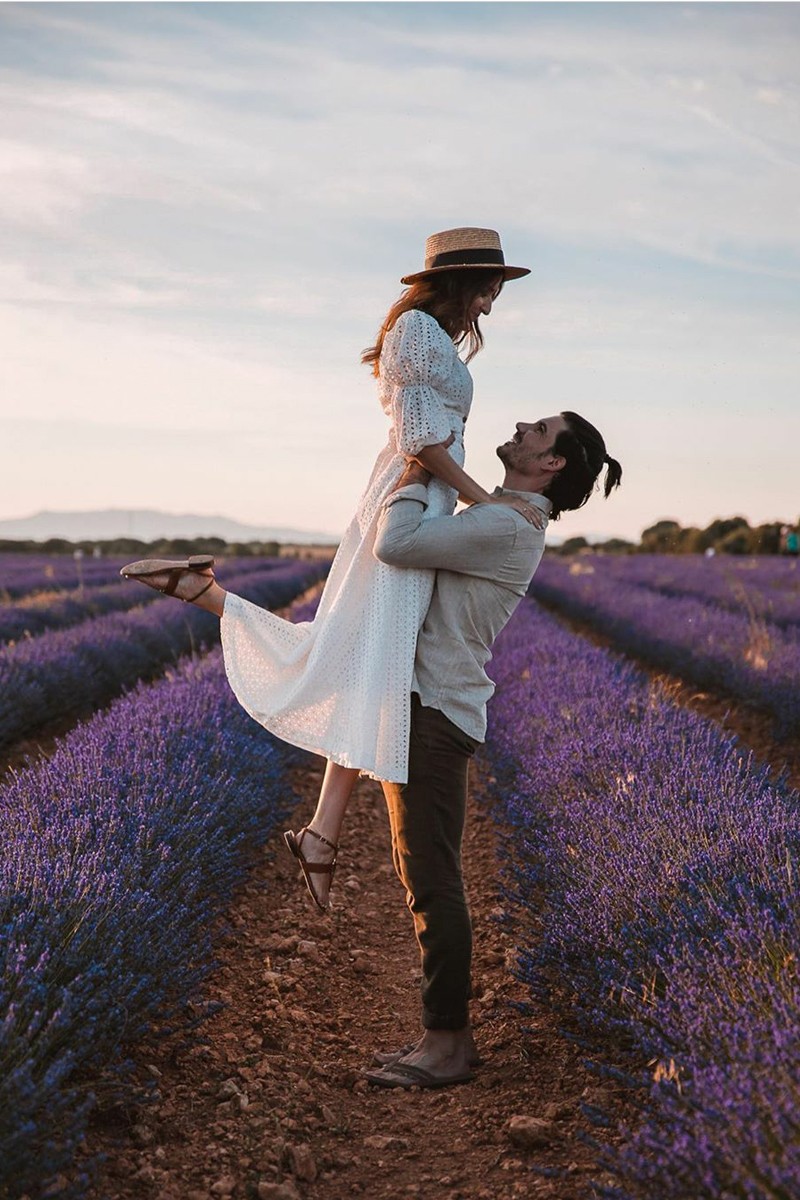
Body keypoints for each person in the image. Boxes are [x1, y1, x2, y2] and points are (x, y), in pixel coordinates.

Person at [120, 227, 540, 912]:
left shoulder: (431, 336)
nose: (492, 303)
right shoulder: (417, 331)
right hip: (407, 502)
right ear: (462, 280)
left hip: (421, 500)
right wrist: (482, 500)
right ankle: (209, 597)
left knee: (369, 660)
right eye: (490, 288)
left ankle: (321, 833)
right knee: (362, 654)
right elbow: (419, 440)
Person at [363, 411, 622, 1089]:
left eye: (539, 430)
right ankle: (444, 1035)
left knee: (432, 878)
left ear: (552, 464)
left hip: (435, 710)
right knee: (421, 871)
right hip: (429, 706)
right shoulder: (504, 514)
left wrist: (416, 468)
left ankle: (446, 1043)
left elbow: (397, 543)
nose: (523, 425)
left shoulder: (509, 525)